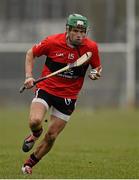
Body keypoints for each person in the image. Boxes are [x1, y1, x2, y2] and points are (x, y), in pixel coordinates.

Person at [21, 13, 102, 174]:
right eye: (76, 31)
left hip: (68, 96)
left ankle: (29, 164)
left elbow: (97, 67)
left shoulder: (91, 47)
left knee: (51, 136)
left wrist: (95, 73)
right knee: (35, 120)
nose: (80, 35)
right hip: (46, 89)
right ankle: (36, 133)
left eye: (83, 31)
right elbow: (31, 53)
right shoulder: (52, 42)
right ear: (67, 30)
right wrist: (29, 76)